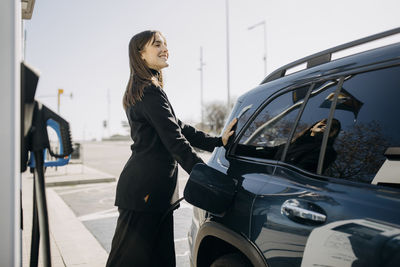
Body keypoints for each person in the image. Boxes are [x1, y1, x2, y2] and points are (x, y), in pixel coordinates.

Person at [106, 30, 237, 267]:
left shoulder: (148, 89)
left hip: (155, 194)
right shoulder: (148, 90)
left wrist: (218, 141)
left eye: (165, 44)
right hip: (143, 194)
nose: (165, 48)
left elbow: (180, 127)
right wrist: (208, 179)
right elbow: (175, 140)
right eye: (157, 44)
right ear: (141, 55)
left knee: (162, 261)